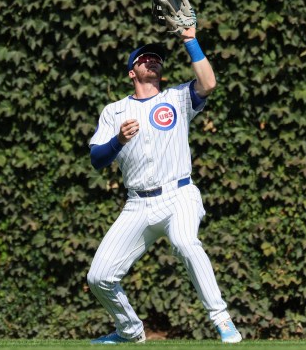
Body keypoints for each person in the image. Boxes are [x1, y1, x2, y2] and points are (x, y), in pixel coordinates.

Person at [87, 27, 242, 344]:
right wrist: (118, 140)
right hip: (138, 204)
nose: (152, 60)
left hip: (179, 195)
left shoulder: (176, 99)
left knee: (186, 242)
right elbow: (97, 160)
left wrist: (190, 40)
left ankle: (222, 319)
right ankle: (130, 332)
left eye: (157, 57)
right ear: (133, 72)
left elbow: (209, 83)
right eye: (145, 58)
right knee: (98, 277)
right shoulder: (114, 111)